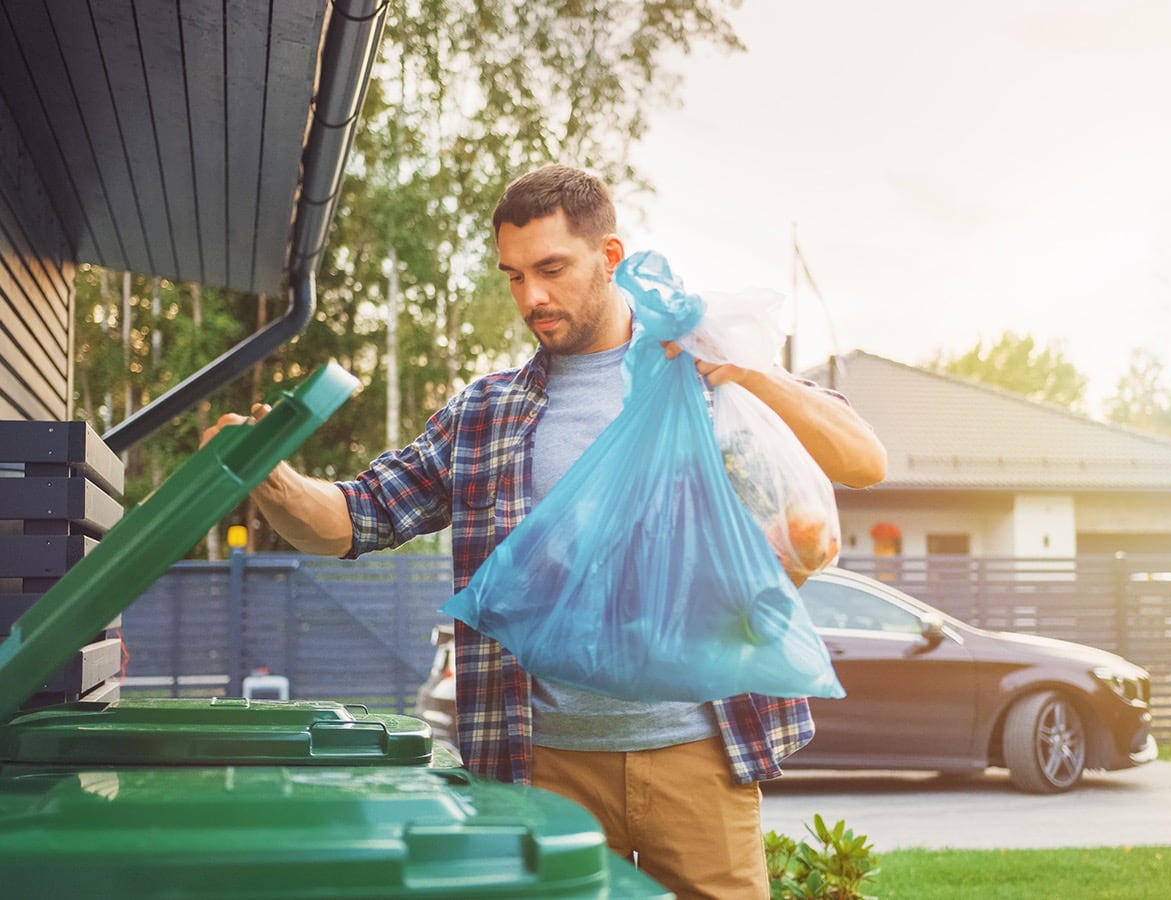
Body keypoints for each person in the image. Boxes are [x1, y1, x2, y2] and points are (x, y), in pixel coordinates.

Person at [205, 164, 887, 899]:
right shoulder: (486, 415)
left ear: (611, 257)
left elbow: (862, 460)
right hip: (544, 764)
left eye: (552, 269)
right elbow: (355, 518)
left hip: (700, 751)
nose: (532, 296)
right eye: (514, 276)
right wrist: (268, 476)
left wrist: (746, 372)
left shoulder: (704, 380)